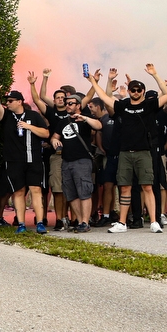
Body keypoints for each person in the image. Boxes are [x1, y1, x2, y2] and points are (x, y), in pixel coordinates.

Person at [88, 64, 167, 233]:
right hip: (125, 152)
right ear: (130, 91)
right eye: (133, 90)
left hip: (144, 152)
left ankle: (154, 221)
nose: (136, 92)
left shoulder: (149, 105)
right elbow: (104, 97)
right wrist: (93, 82)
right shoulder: (122, 106)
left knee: (147, 186)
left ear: (143, 92)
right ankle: (122, 223)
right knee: (125, 187)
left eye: (139, 90)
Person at [0, 82, 50, 234]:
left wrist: (29, 127)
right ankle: (21, 223)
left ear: (19, 101)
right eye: (7, 101)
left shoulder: (33, 116)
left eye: (10, 101)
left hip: (34, 159)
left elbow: (46, 134)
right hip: (14, 161)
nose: (8, 103)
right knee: (18, 192)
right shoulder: (7, 116)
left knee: (36, 190)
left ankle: (40, 222)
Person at [49, 93, 102, 233]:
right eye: (66, 103)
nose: (67, 105)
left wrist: (84, 118)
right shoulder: (63, 122)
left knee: (84, 191)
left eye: (71, 103)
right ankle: (80, 221)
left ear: (78, 105)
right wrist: (54, 140)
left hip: (82, 160)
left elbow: (98, 125)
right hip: (66, 161)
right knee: (71, 193)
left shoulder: (85, 119)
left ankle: (85, 221)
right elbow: (55, 136)